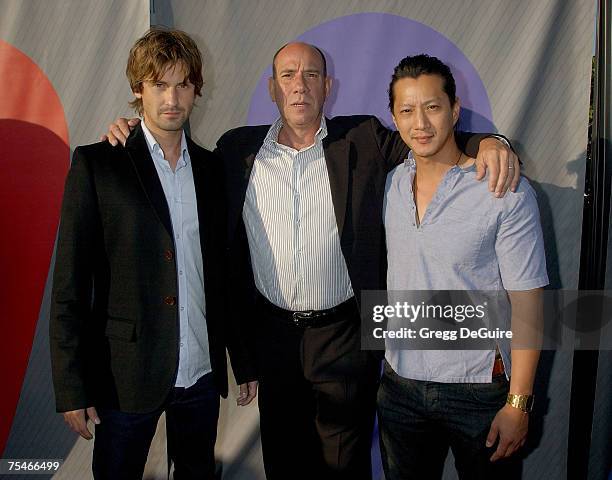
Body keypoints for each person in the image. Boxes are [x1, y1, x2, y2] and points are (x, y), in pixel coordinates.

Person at [105, 42, 519, 479]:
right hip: (273, 340)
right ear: (271, 88)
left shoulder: (363, 137)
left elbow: (429, 138)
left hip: (344, 336)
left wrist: (491, 142)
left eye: (310, 75)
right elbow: (175, 157)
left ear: (328, 86)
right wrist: (134, 131)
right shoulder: (235, 151)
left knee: (344, 469)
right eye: (287, 75)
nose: (299, 86)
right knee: (284, 464)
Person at [49, 28, 256, 480]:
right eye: (159, 84)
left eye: (182, 84)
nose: (172, 97)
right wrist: (70, 386)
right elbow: (69, 285)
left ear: (196, 90)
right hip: (125, 376)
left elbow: (223, 273)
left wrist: (243, 360)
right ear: (138, 89)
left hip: (200, 373)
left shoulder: (212, 168)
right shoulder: (98, 164)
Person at [378, 54, 547, 480]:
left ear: (454, 110)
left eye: (433, 107)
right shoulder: (391, 183)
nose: (421, 123)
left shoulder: (503, 190)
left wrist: (519, 402)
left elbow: (529, 304)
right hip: (400, 388)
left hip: (479, 392)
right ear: (394, 119)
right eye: (407, 110)